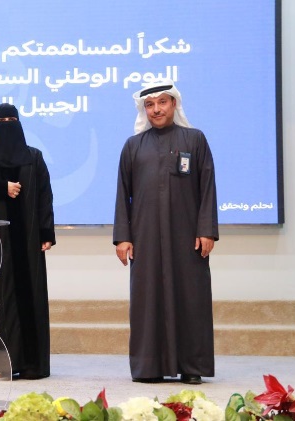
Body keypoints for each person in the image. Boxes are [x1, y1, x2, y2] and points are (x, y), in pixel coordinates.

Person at [112, 80, 218, 385]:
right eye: (150, 104)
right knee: (147, 302)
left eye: (162, 102)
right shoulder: (133, 146)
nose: (156, 109)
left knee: (191, 298)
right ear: (144, 109)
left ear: (174, 104)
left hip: (187, 238)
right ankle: (149, 367)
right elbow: (122, 193)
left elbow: (207, 187)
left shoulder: (195, 139)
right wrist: (123, 237)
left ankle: (191, 367)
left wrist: (206, 230)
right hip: (144, 238)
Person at [0, 103, 55, 379]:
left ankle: (31, 364)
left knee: (29, 298)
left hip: (27, 240)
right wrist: (0, 189)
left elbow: (44, 195)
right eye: (1, 121)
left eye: (11, 120)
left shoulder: (33, 157)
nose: (7, 125)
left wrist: (46, 233)